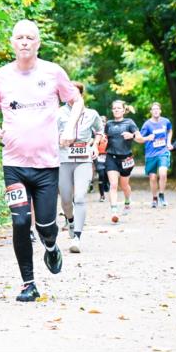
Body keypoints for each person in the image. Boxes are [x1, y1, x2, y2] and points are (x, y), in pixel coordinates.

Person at [0, 19, 83, 303]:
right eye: (20, 37)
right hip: (13, 164)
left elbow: (76, 102)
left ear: (38, 43)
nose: (25, 42)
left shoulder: (53, 72)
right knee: (20, 221)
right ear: (12, 43)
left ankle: (51, 247)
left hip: (47, 165)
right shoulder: (0, 76)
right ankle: (29, 283)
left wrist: (71, 127)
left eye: (30, 37)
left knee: (46, 227)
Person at [56, 82, 102, 253]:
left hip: (84, 159)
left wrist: (95, 145)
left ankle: (77, 237)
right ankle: (70, 220)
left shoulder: (92, 114)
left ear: (81, 94)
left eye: (74, 92)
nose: (70, 96)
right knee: (66, 200)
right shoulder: (57, 113)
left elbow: (99, 130)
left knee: (80, 197)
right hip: (63, 159)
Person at [103, 99, 141, 224]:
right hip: (111, 157)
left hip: (126, 158)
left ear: (124, 110)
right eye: (114, 108)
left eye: (119, 108)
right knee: (113, 185)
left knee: (124, 185)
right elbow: (103, 138)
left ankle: (127, 201)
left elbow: (140, 139)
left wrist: (133, 136)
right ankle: (114, 211)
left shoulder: (129, 122)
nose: (116, 110)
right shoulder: (108, 124)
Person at [140, 102, 174, 208]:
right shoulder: (147, 125)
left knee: (163, 173)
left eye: (157, 109)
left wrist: (168, 142)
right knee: (153, 177)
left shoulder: (166, 121)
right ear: (150, 112)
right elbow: (140, 138)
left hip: (163, 152)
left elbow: (170, 131)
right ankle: (154, 198)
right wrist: (147, 138)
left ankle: (162, 195)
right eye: (153, 109)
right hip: (151, 154)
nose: (155, 111)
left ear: (160, 111)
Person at [95, 130, 109, 202]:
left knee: (107, 175)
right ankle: (102, 195)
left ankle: (106, 183)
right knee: (101, 175)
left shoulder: (110, 132)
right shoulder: (96, 134)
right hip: (99, 157)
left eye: (104, 121)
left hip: (108, 157)